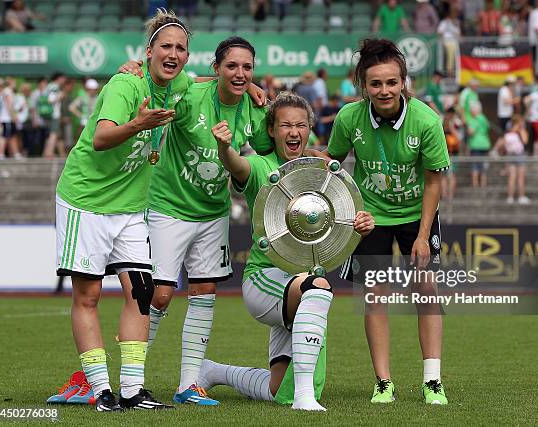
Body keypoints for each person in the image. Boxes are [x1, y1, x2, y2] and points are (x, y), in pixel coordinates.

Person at [54, 9, 192, 412]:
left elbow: (204, 83)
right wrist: (138, 124)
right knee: (89, 294)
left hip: (130, 208)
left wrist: (247, 86)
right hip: (87, 201)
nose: (173, 53)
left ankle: (132, 389)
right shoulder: (125, 84)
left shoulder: (180, 83)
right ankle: (100, 391)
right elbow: (100, 138)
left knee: (142, 293)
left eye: (181, 48)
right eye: (165, 46)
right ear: (148, 52)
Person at [202, 92, 374, 411]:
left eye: (300, 125)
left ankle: (213, 371)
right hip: (264, 280)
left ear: (309, 129)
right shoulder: (261, 166)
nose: (293, 131)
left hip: (295, 286)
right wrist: (225, 148)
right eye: (285, 125)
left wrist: (359, 224)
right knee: (318, 287)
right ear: (272, 130)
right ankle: (305, 398)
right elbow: (237, 166)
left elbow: (340, 221)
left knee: (278, 389)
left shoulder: (321, 174)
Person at [143, 36, 273, 407]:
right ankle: (132, 378)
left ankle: (189, 385)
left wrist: (258, 92)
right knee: (161, 294)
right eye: (232, 66)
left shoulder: (254, 109)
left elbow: (272, 149)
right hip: (169, 207)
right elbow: (160, 86)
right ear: (216, 68)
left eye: (247, 67)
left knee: (204, 293)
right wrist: (134, 68)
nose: (240, 73)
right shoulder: (193, 97)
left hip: (213, 212)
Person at [326, 38, 450, 405]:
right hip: (371, 217)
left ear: (403, 82)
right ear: (363, 85)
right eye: (375, 83)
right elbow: (330, 163)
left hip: (417, 215)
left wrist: (423, 236)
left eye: (392, 82)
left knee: (426, 290)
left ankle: (432, 381)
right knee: (374, 297)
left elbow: (433, 180)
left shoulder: (426, 120)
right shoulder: (349, 118)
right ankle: (383, 382)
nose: (384, 90)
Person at [501, 115, 530, 204]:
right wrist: (521, 130)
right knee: (520, 177)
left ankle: (510, 197)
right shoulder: (520, 130)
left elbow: (503, 144)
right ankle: (521, 196)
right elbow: (525, 141)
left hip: (510, 154)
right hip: (518, 154)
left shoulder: (508, 132)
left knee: (512, 177)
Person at [466, 101, 491, 187]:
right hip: (485, 144)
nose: (470, 112)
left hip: (476, 145)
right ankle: (483, 185)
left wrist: (468, 129)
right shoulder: (484, 118)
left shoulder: (475, 119)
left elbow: (471, 132)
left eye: (471, 110)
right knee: (484, 167)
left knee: (475, 166)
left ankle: (475, 186)